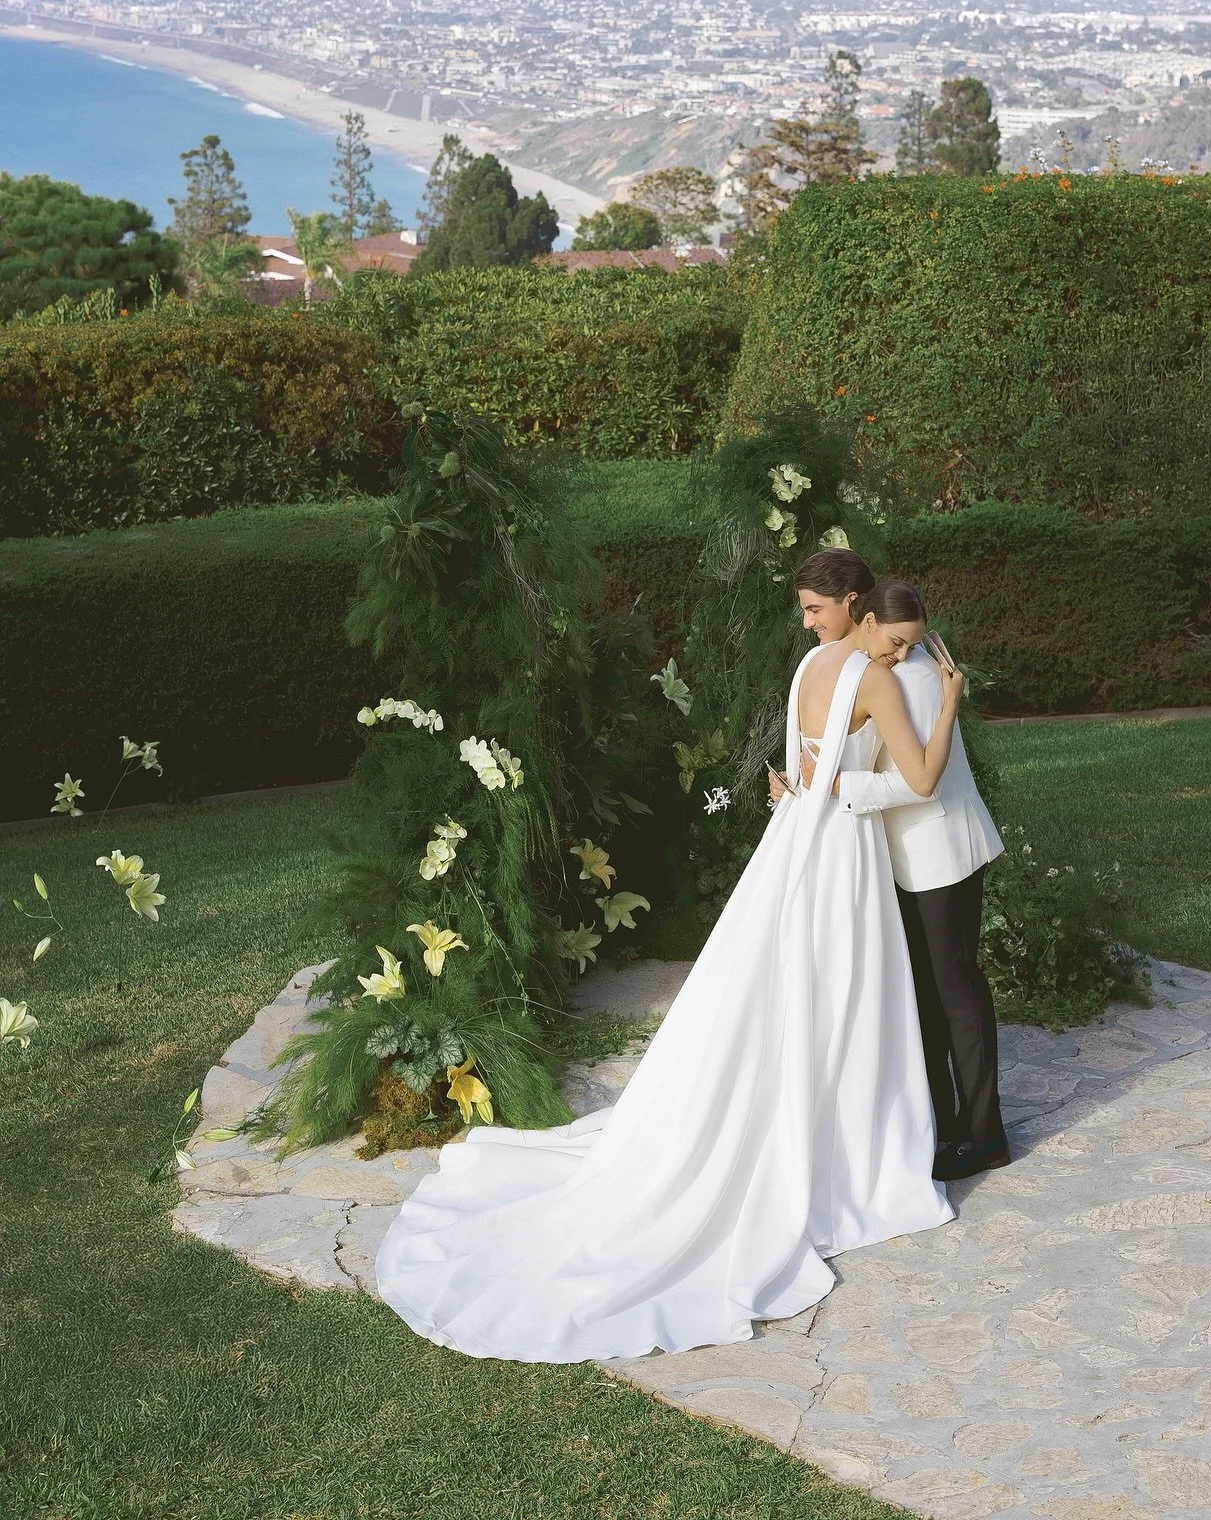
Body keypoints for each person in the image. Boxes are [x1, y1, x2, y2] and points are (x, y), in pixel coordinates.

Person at [375, 583, 966, 1363]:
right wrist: (949, 700)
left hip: (794, 841)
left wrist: (809, 787)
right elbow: (921, 781)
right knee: (840, 993)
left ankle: (801, 1115)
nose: (899, 653)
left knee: (787, 988)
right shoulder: (876, 678)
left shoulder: (809, 666)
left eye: (815, 607)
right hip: (842, 848)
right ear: (866, 607)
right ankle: (842, 1145)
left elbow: (794, 769)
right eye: (894, 639)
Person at [785, 556, 1008, 1182]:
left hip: (943, 852)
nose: (900, 653)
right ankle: (942, 1124)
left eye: (909, 643)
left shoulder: (904, 679)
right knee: (926, 997)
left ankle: (986, 1134)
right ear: (871, 619)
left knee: (957, 992)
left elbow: (921, 784)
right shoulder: (862, 668)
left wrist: (837, 787)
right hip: (898, 860)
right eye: (896, 641)